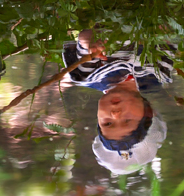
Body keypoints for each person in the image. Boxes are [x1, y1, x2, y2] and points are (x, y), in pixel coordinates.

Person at [62, 28, 176, 174]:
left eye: (108, 123)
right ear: (147, 112)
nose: (115, 114)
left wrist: (89, 41)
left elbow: (83, 37)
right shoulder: (157, 75)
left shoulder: (87, 76)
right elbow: (168, 36)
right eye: (127, 120)